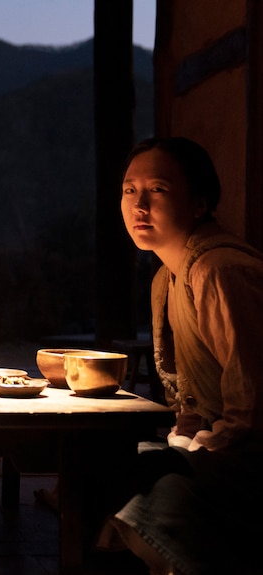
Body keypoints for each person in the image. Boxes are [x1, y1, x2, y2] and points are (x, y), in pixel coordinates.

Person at [97, 137, 263, 574]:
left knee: (162, 490)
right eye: (130, 190)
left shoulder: (219, 270)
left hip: (249, 454)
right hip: (216, 444)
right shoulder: (165, 280)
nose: (140, 205)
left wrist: (197, 450)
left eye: (159, 190)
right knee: (107, 468)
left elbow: (253, 404)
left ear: (199, 203)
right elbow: (186, 398)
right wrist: (181, 439)